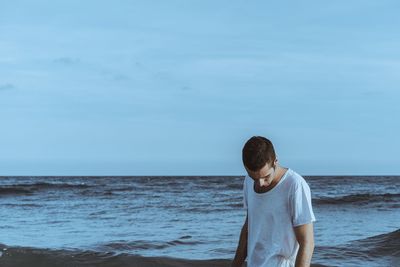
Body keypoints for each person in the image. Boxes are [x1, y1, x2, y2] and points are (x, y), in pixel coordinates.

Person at [232, 136, 316, 267]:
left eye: (265, 177)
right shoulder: (248, 182)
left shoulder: (295, 185)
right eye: (254, 177)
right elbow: (249, 227)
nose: (260, 183)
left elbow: (307, 242)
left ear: (275, 161)